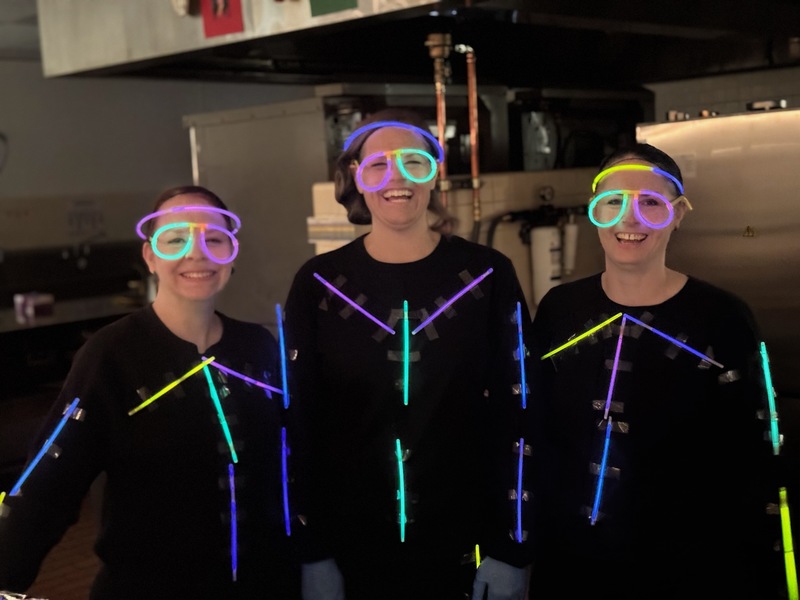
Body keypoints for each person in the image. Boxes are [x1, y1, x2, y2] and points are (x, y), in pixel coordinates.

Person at [282, 108, 535, 600]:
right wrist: (312, 550)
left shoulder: (487, 274)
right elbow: (299, 423)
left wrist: (512, 547)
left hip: (467, 540)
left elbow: (520, 411)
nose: (396, 178)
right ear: (356, 176)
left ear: (434, 173)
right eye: (378, 165)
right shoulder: (317, 283)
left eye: (413, 162)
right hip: (354, 543)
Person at [0, 186, 300, 599]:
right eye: (175, 240)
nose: (196, 254)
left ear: (232, 254)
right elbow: (49, 484)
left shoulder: (259, 347)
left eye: (213, 239)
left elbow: (289, 470)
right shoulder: (111, 355)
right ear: (150, 257)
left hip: (265, 589)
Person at [527, 144, 783, 598]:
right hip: (570, 566)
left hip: (689, 570)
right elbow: (536, 434)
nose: (631, 219)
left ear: (679, 213)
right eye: (614, 203)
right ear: (595, 212)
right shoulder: (559, 311)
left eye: (651, 202)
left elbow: (755, 460)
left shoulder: (722, 318)